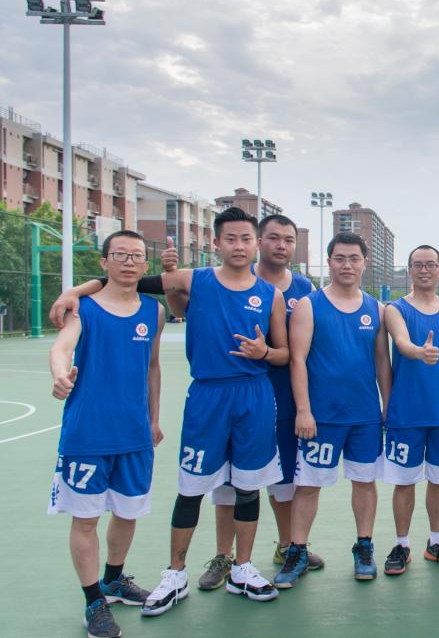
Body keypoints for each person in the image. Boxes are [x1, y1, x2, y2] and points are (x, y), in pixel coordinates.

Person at [49, 207, 289, 614]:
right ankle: (176, 572)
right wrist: (75, 291)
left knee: (249, 487)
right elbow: (126, 280)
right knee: (191, 487)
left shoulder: (272, 295)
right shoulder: (193, 279)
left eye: (246, 238)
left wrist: (264, 352)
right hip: (208, 396)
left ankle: (243, 568)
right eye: (230, 238)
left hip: (254, 396)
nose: (239, 245)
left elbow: (283, 354)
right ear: (216, 242)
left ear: (256, 244)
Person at [161, 215, 323, 591]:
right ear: (259, 242)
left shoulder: (303, 288)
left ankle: (287, 546)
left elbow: (302, 348)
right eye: (273, 238)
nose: (280, 245)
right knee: (226, 484)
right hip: (230, 393)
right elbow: (182, 308)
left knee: (281, 480)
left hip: (280, 397)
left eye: (288, 239)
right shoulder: (220, 279)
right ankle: (225, 555)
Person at [48, 231, 164, 638]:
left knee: (128, 513)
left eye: (136, 256)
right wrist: (60, 374)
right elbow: (62, 347)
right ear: (104, 262)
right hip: (88, 434)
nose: (129, 262)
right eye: (120, 255)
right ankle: (93, 600)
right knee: (86, 519)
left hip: (134, 434)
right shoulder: (82, 308)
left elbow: (152, 367)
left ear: (145, 265)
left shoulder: (154, 311)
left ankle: (114, 579)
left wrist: (153, 418)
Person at [275, 232, 391, 587]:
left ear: (365, 262)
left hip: (364, 416)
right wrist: (303, 410)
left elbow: (382, 362)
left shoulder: (376, 309)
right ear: (329, 262)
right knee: (308, 485)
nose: (347, 265)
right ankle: (297, 551)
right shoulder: (309, 305)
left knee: (365, 482)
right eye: (340, 258)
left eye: (354, 258)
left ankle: (364, 546)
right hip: (322, 417)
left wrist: (388, 406)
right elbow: (297, 360)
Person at [381, 246, 439, 574]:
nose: (424, 270)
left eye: (431, 264)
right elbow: (401, 342)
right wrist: (419, 352)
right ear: (409, 270)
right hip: (407, 411)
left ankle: (436, 541)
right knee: (404, 482)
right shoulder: (396, 309)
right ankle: (401, 545)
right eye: (418, 265)